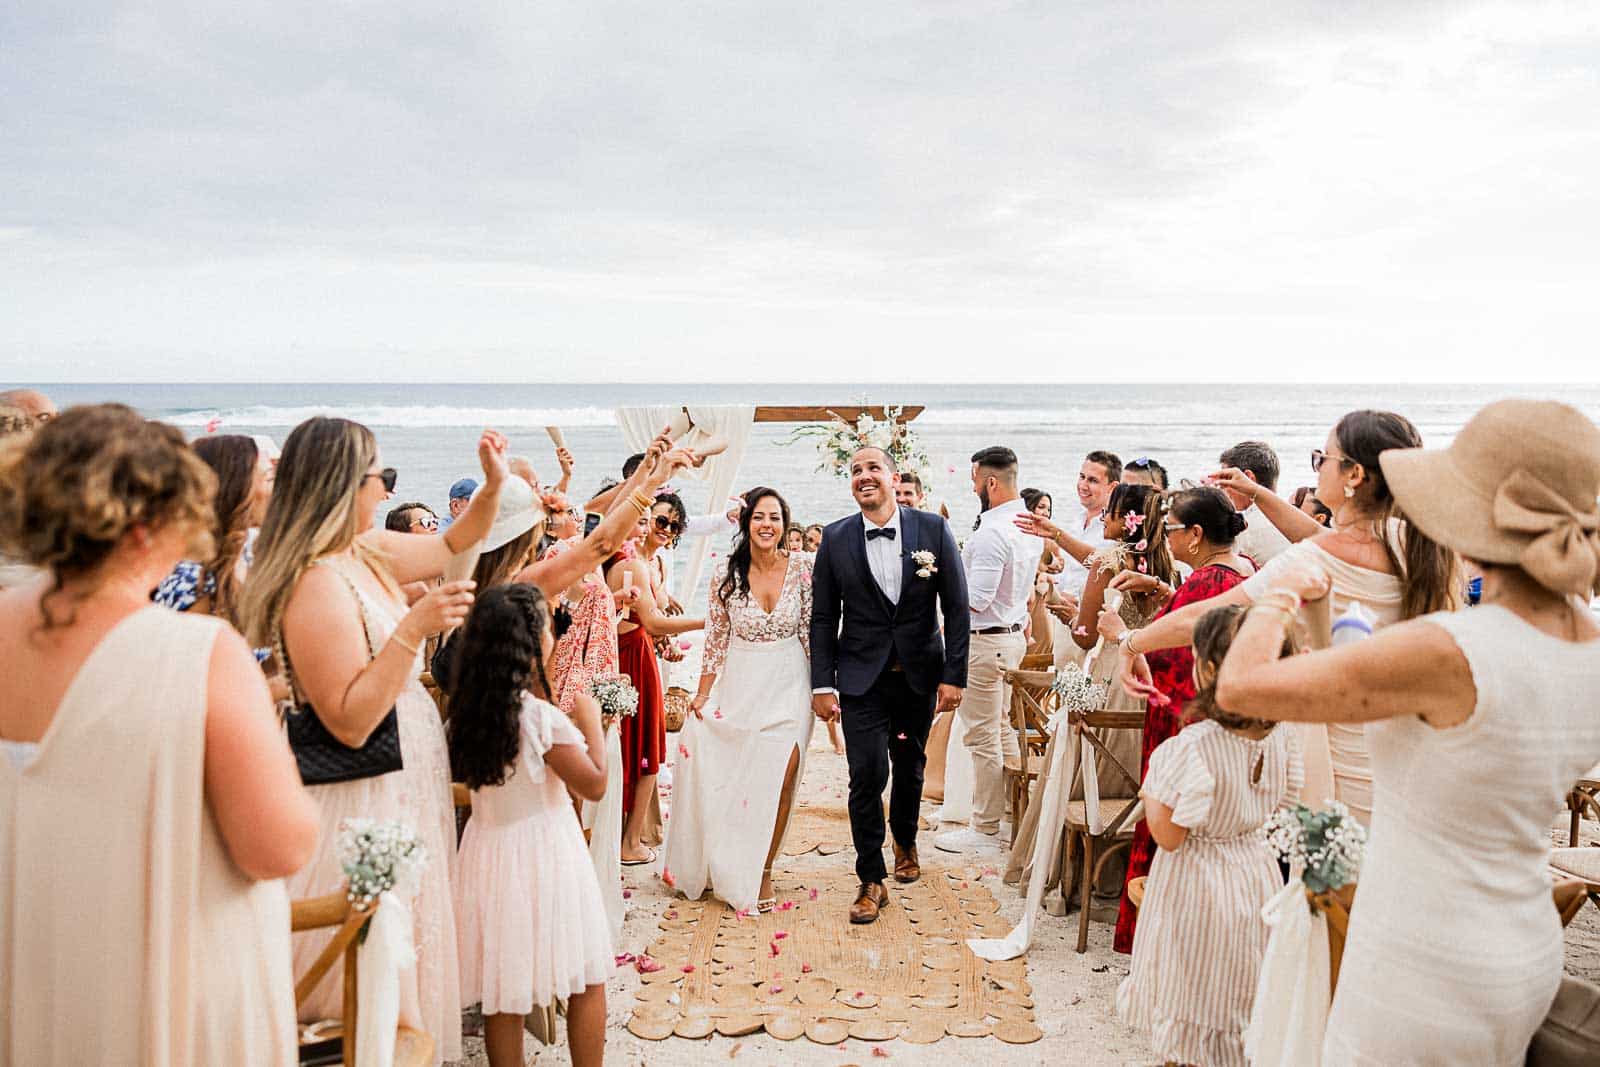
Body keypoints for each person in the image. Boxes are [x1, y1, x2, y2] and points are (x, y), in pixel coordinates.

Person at [1211, 398, 1600, 1064]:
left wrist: (1282, 589)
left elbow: (1239, 686)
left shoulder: (1449, 650)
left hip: (1421, 969)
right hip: (1525, 947)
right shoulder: (1587, 645)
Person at [0, 404, 318, 1064]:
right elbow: (278, 846)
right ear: (144, 524)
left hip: (34, 961)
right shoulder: (198, 653)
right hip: (173, 973)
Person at [239, 417, 511, 1065]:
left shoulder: (361, 552)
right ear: (341, 485)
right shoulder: (313, 581)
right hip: (358, 796)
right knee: (361, 978)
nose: (387, 492)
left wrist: (495, 483)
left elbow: (460, 538)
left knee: (401, 956)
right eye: (379, 478)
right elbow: (348, 718)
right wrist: (413, 629)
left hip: (399, 782)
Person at [1114, 411, 1460, 826]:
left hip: (1332, 766)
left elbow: (1203, 618)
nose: (1318, 468)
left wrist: (1132, 643)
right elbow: (1316, 537)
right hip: (1408, 757)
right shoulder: (1422, 549)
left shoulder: (1314, 561)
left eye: (1323, 459)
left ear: (1352, 476)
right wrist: (1258, 493)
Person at [1116, 605, 1302, 1067]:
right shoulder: (1282, 738)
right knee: (1238, 995)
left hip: (1198, 885)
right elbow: (1284, 805)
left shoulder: (1192, 747)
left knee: (1193, 998)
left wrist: (1153, 793)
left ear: (1213, 669)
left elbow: (1170, 835)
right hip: (1255, 874)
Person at [448, 584, 611, 1067]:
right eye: (546, 624)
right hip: (546, 855)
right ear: (527, 642)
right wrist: (594, 722)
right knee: (586, 977)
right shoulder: (538, 719)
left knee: (505, 990)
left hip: (488, 856)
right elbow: (594, 786)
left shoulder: (465, 718)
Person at [810, 446, 970, 924]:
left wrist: (953, 676)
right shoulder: (836, 538)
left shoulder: (933, 529)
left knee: (910, 765)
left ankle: (905, 837)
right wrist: (822, 683)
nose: (864, 476)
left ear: (892, 476)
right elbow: (823, 618)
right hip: (860, 679)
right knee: (866, 775)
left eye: (873, 468)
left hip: (919, 675)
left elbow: (957, 609)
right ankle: (870, 878)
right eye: (855, 470)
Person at [1099, 486, 1253, 953]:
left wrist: (1121, 634)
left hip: (1191, 737)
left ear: (1196, 535)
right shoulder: (1247, 574)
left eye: (1171, 530)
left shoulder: (1206, 585)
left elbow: (1173, 664)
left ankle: (1160, 940)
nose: (1165, 538)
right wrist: (1167, 592)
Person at [667, 487, 816, 912]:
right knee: (743, 776)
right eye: (758, 517)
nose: (766, 524)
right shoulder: (725, 575)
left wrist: (824, 689)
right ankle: (729, 856)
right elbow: (716, 639)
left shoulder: (804, 568)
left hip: (791, 677)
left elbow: (809, 631)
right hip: (741, 680)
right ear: (746, 524)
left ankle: (764, 868)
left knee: (785, 769)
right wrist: (701, 694)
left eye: (774, 517)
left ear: (785, 525)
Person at [934, 447, 1042, 855]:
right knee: (1000, 730)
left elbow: (975, 599)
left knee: (982, 736)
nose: (972, 485)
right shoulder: (1027, 525)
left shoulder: (993, 532)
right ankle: (1016, 815)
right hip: (1011, 637)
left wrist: (940, 578)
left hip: (985, 642)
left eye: (975, 478)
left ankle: (985, 828)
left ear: (991, 483)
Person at [609, 490, 704, 865]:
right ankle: (630, 841)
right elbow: (650, 620)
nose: (661, 528)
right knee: (646, 745)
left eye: (669, 524)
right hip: (630, 656)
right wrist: (708, 620)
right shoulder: (632, 566)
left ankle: (631, 833)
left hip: (636, 650)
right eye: (654, 519)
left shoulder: (643, 563)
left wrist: (664, 642)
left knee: (637, 745)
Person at [1215, 441, 1295, 567]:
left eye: (1226, 479)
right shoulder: (1295, 519)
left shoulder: (1244, 529)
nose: (1221, 486)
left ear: (1248, 478)